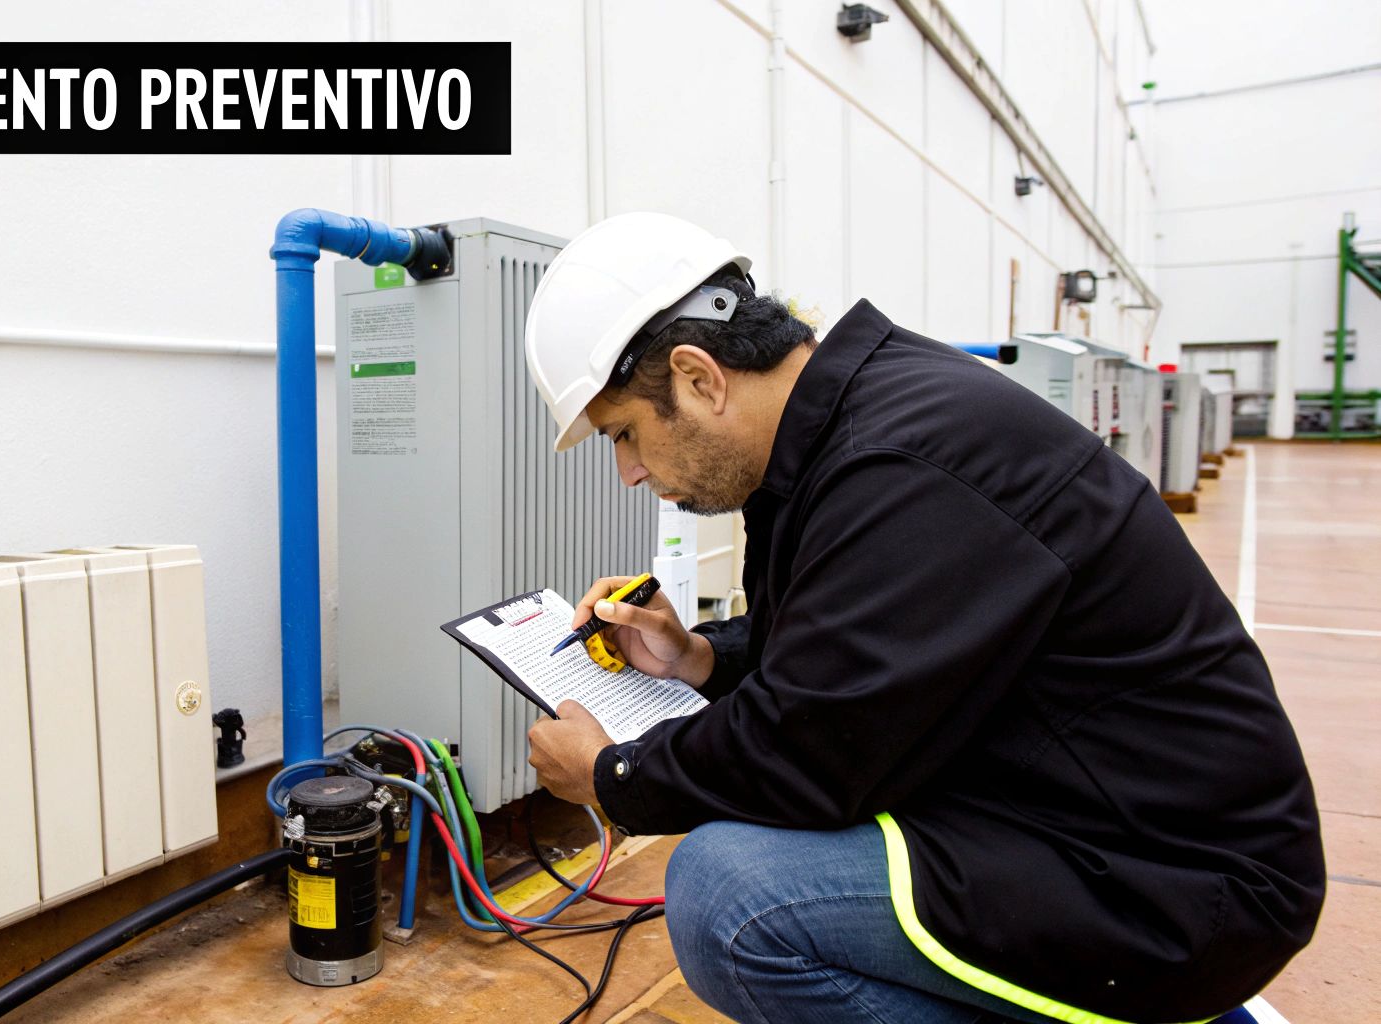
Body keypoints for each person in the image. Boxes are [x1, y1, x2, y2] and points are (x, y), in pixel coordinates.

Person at [520, 212, 1323, 1024]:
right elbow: (842, 660)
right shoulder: (852, 429)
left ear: (699, 377)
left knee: (731, 895)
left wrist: (611, 776)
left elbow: (808, 752)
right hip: (1084, 818)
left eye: (625, 432)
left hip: (1171, 887)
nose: (626, 472)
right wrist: (696, 656)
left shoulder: (903, 462)